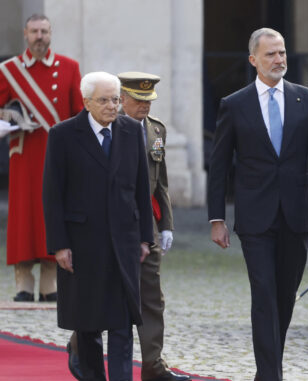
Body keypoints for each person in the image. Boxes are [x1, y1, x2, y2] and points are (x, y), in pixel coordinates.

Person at [208, 28, 308, 381]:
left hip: (296, 215)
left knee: (284, 296)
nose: (279, 60)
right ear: (253, 60)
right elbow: (219, 166)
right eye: (271, 55)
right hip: (255, 218)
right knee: (263, 293)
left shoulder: (307, 99)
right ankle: (270, 375)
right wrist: (216, 218)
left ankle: (269, 368)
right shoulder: (234, 105)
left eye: (281, 53)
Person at [65, 72, 189, 381]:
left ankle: (153, 364)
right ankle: (80, 345)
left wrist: (166, 225)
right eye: (137, 100)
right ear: (124, 100)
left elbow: (159, 182)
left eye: (149, 101)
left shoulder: (155, 130)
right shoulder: (108, 130)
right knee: (102, 295)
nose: (144, 107)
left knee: (150, 297)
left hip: (143, 226)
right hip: (108, 227)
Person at [42, 71, 154, 381]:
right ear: (86, 101)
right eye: (104, 100)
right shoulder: (63, 134)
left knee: (122, 323)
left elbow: (141, 189)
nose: (112, 106)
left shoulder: (132, 131)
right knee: (88, 323)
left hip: (124, 241)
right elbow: (53, 195)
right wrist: (59, 244)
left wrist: (146, 237)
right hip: (82, 243)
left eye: (116, 99)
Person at [0, 13, 83, 302]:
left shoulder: (70, 68)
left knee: (52, 215)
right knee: (24, 218)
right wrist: (9, 116)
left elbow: (79, 115)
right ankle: (23, 283)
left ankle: (50, 282)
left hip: (57, 156)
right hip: (24, 156)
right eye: (34, 31)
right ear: (25, 34)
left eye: (44, 31)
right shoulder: (9, 70)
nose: (39, 37)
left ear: (50, 34)